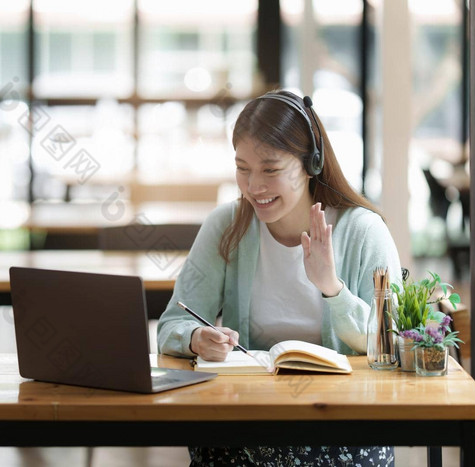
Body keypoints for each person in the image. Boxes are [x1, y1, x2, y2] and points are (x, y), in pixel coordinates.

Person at [157, 90, 401, 467]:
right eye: (243, 168)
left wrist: (332, 290)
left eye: (270, 169)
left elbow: (392, 345)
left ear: (310, 164)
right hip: (250, 414)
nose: (254, 186)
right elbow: (174, 321)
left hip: (343, 423)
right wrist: (195, 338)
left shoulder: (363, 231)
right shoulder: (227, 226)